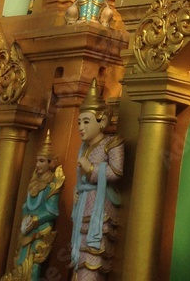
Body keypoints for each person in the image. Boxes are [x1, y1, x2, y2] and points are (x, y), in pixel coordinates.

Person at [71, 79, 124, 279]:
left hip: (100, 212)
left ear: (101, 121)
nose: (81, 127)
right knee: (79, 258)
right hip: (83, 207)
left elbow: (116, 172)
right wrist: (77, 189)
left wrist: (92, 168)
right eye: (79, 122)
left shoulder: (112, 143)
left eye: (86, 121)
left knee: (93, 258)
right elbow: (80, 179)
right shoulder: (82, 148)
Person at [2, 131, 64, 281]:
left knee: (33, 268)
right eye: (37, 161)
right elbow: (27, 205)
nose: (37, 165)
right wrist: (25, 220)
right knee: (19, 262)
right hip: (26, 229)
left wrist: (35, 220)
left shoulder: (52, 184)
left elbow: (52, 210)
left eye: (42, 161)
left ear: (51, 163)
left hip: (39, 231)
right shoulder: (33, 182)